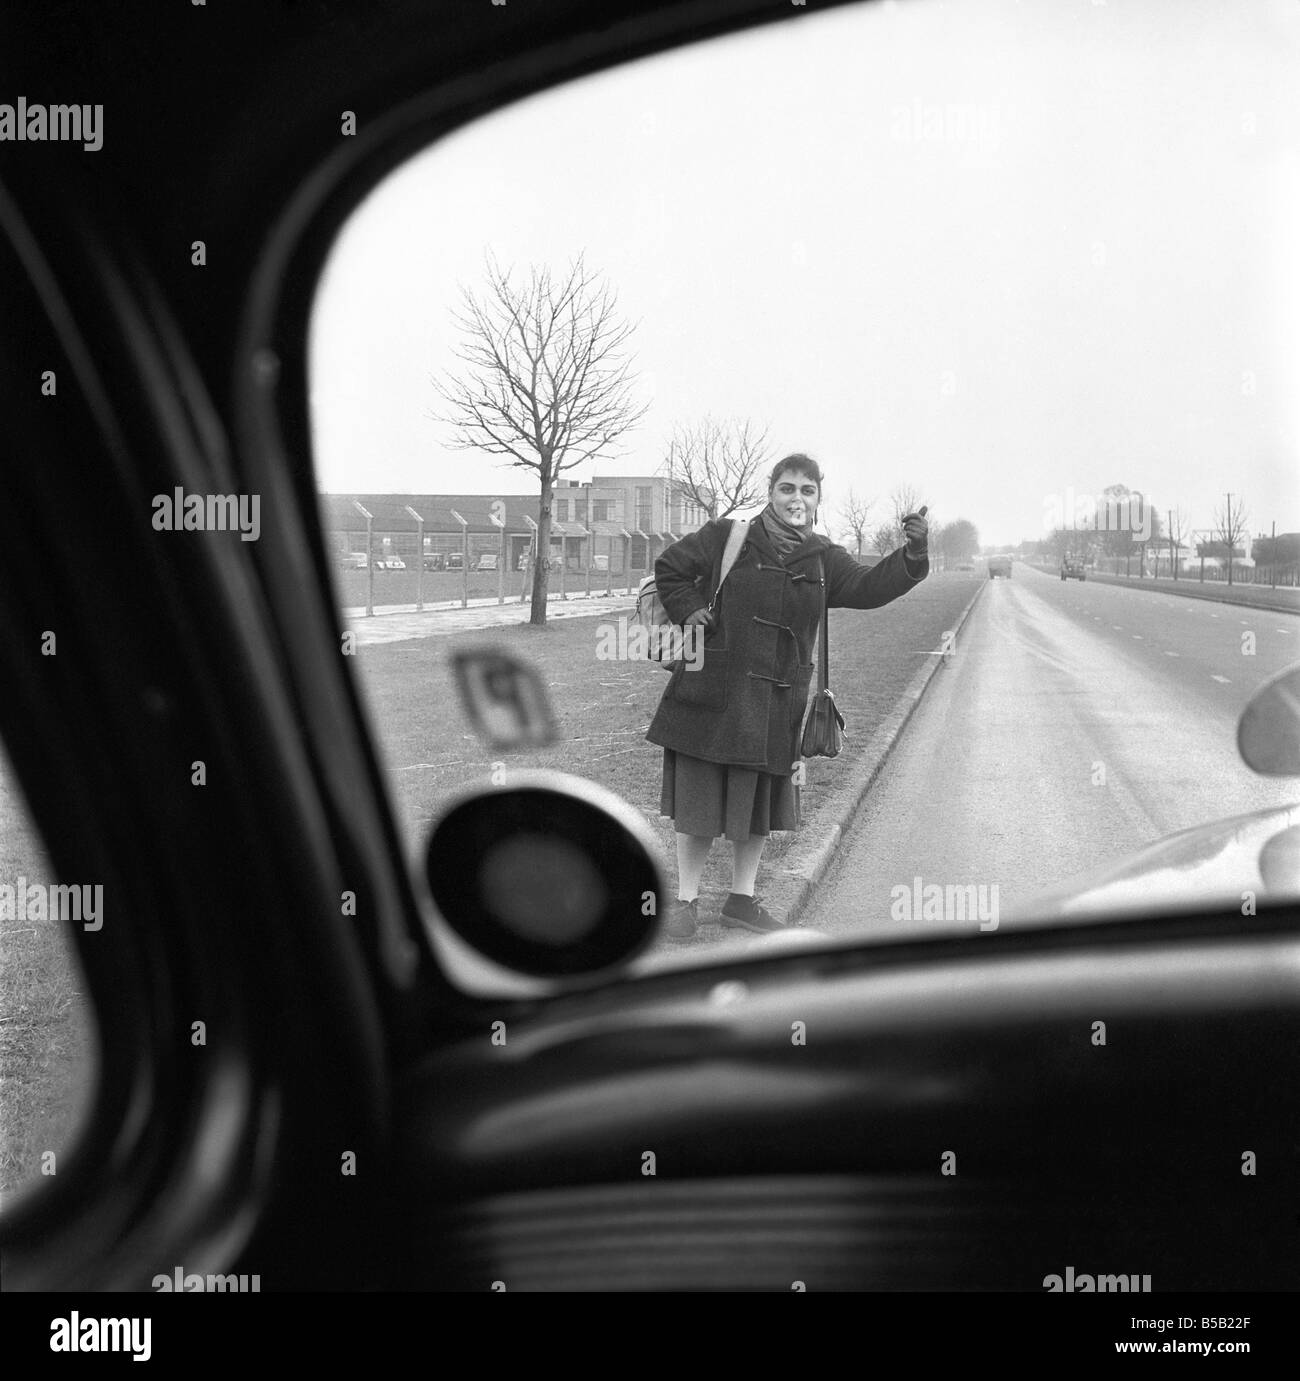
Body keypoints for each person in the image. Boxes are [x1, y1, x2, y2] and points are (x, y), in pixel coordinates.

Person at [645, 454, 929, 937]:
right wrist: (689, 609)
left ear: (818, 498)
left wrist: (913, 556)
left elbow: (869, 587)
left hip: (776, 702)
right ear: (771, 491)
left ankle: (741, 900)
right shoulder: (727, 536)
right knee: (699, 802)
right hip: (711, 692)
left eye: (807, 490)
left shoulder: (824, 558)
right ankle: (686, 903)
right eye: (787, 488)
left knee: (755, 804)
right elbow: (670, 567)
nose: (796, 498)